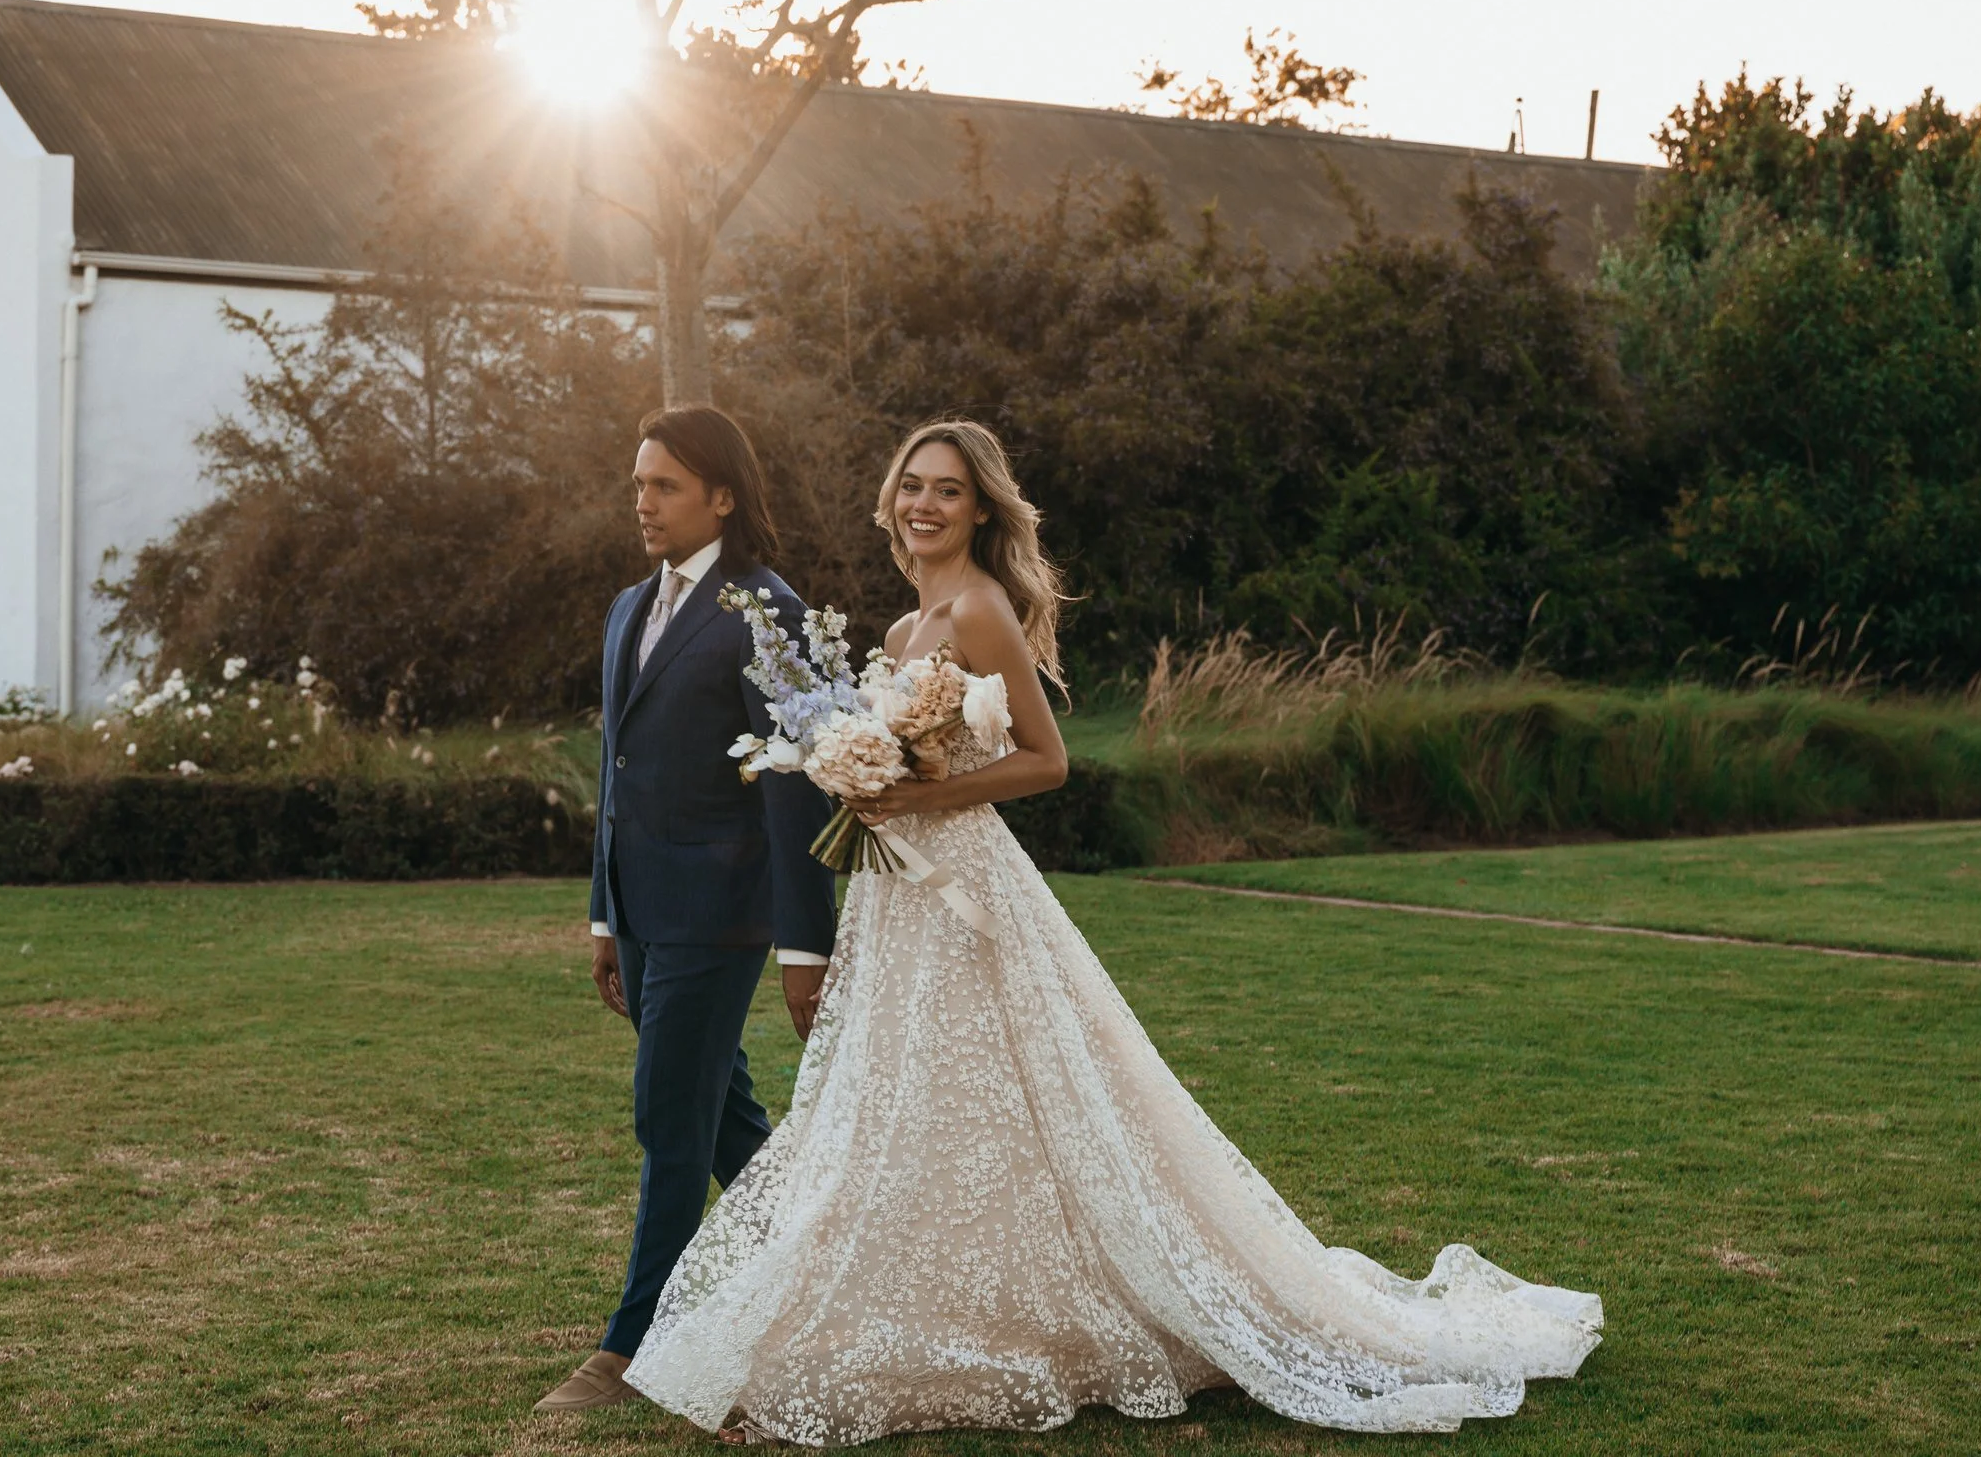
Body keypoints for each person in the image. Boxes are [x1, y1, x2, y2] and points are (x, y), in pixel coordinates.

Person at [622, 418, 1603, 1443]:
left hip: (963, 881)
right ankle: (959, 1295)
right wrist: (862, 778)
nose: (924, 504)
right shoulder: (910, 629)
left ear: (980, 510)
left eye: (947, 491)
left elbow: (1047, 761)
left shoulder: (979, 608)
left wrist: (914, 793)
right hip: (903, 889)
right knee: (919, 1096)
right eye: (912, 485)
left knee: (1008, 1085)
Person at [535, 406, 838, 1415]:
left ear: (720, 493)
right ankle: (827, 1258)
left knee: (668, 1110)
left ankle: (627, 1348)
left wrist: (805, 945)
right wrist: (600, 916)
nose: (641, 501)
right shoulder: (630, 607)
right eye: (636, 483)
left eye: (662, 484)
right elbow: (615, 773)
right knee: (723, 1123)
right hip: (642, 908)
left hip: (724, 910)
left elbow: (796, 786)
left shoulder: (770, 609)